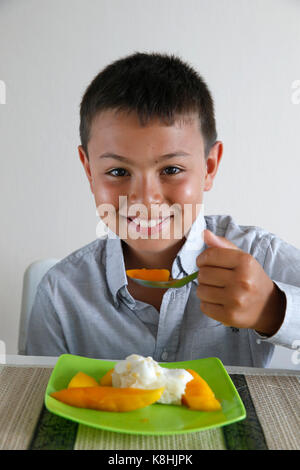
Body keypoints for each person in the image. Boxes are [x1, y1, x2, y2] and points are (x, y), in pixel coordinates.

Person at [25, 52, 300, 367]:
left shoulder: (260, 257)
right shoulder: (61, 292)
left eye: (171, 170)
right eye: (118, 172)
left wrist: (273, 309)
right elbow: (39, 399)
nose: (145, 199)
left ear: (209, 167)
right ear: (89, 171)